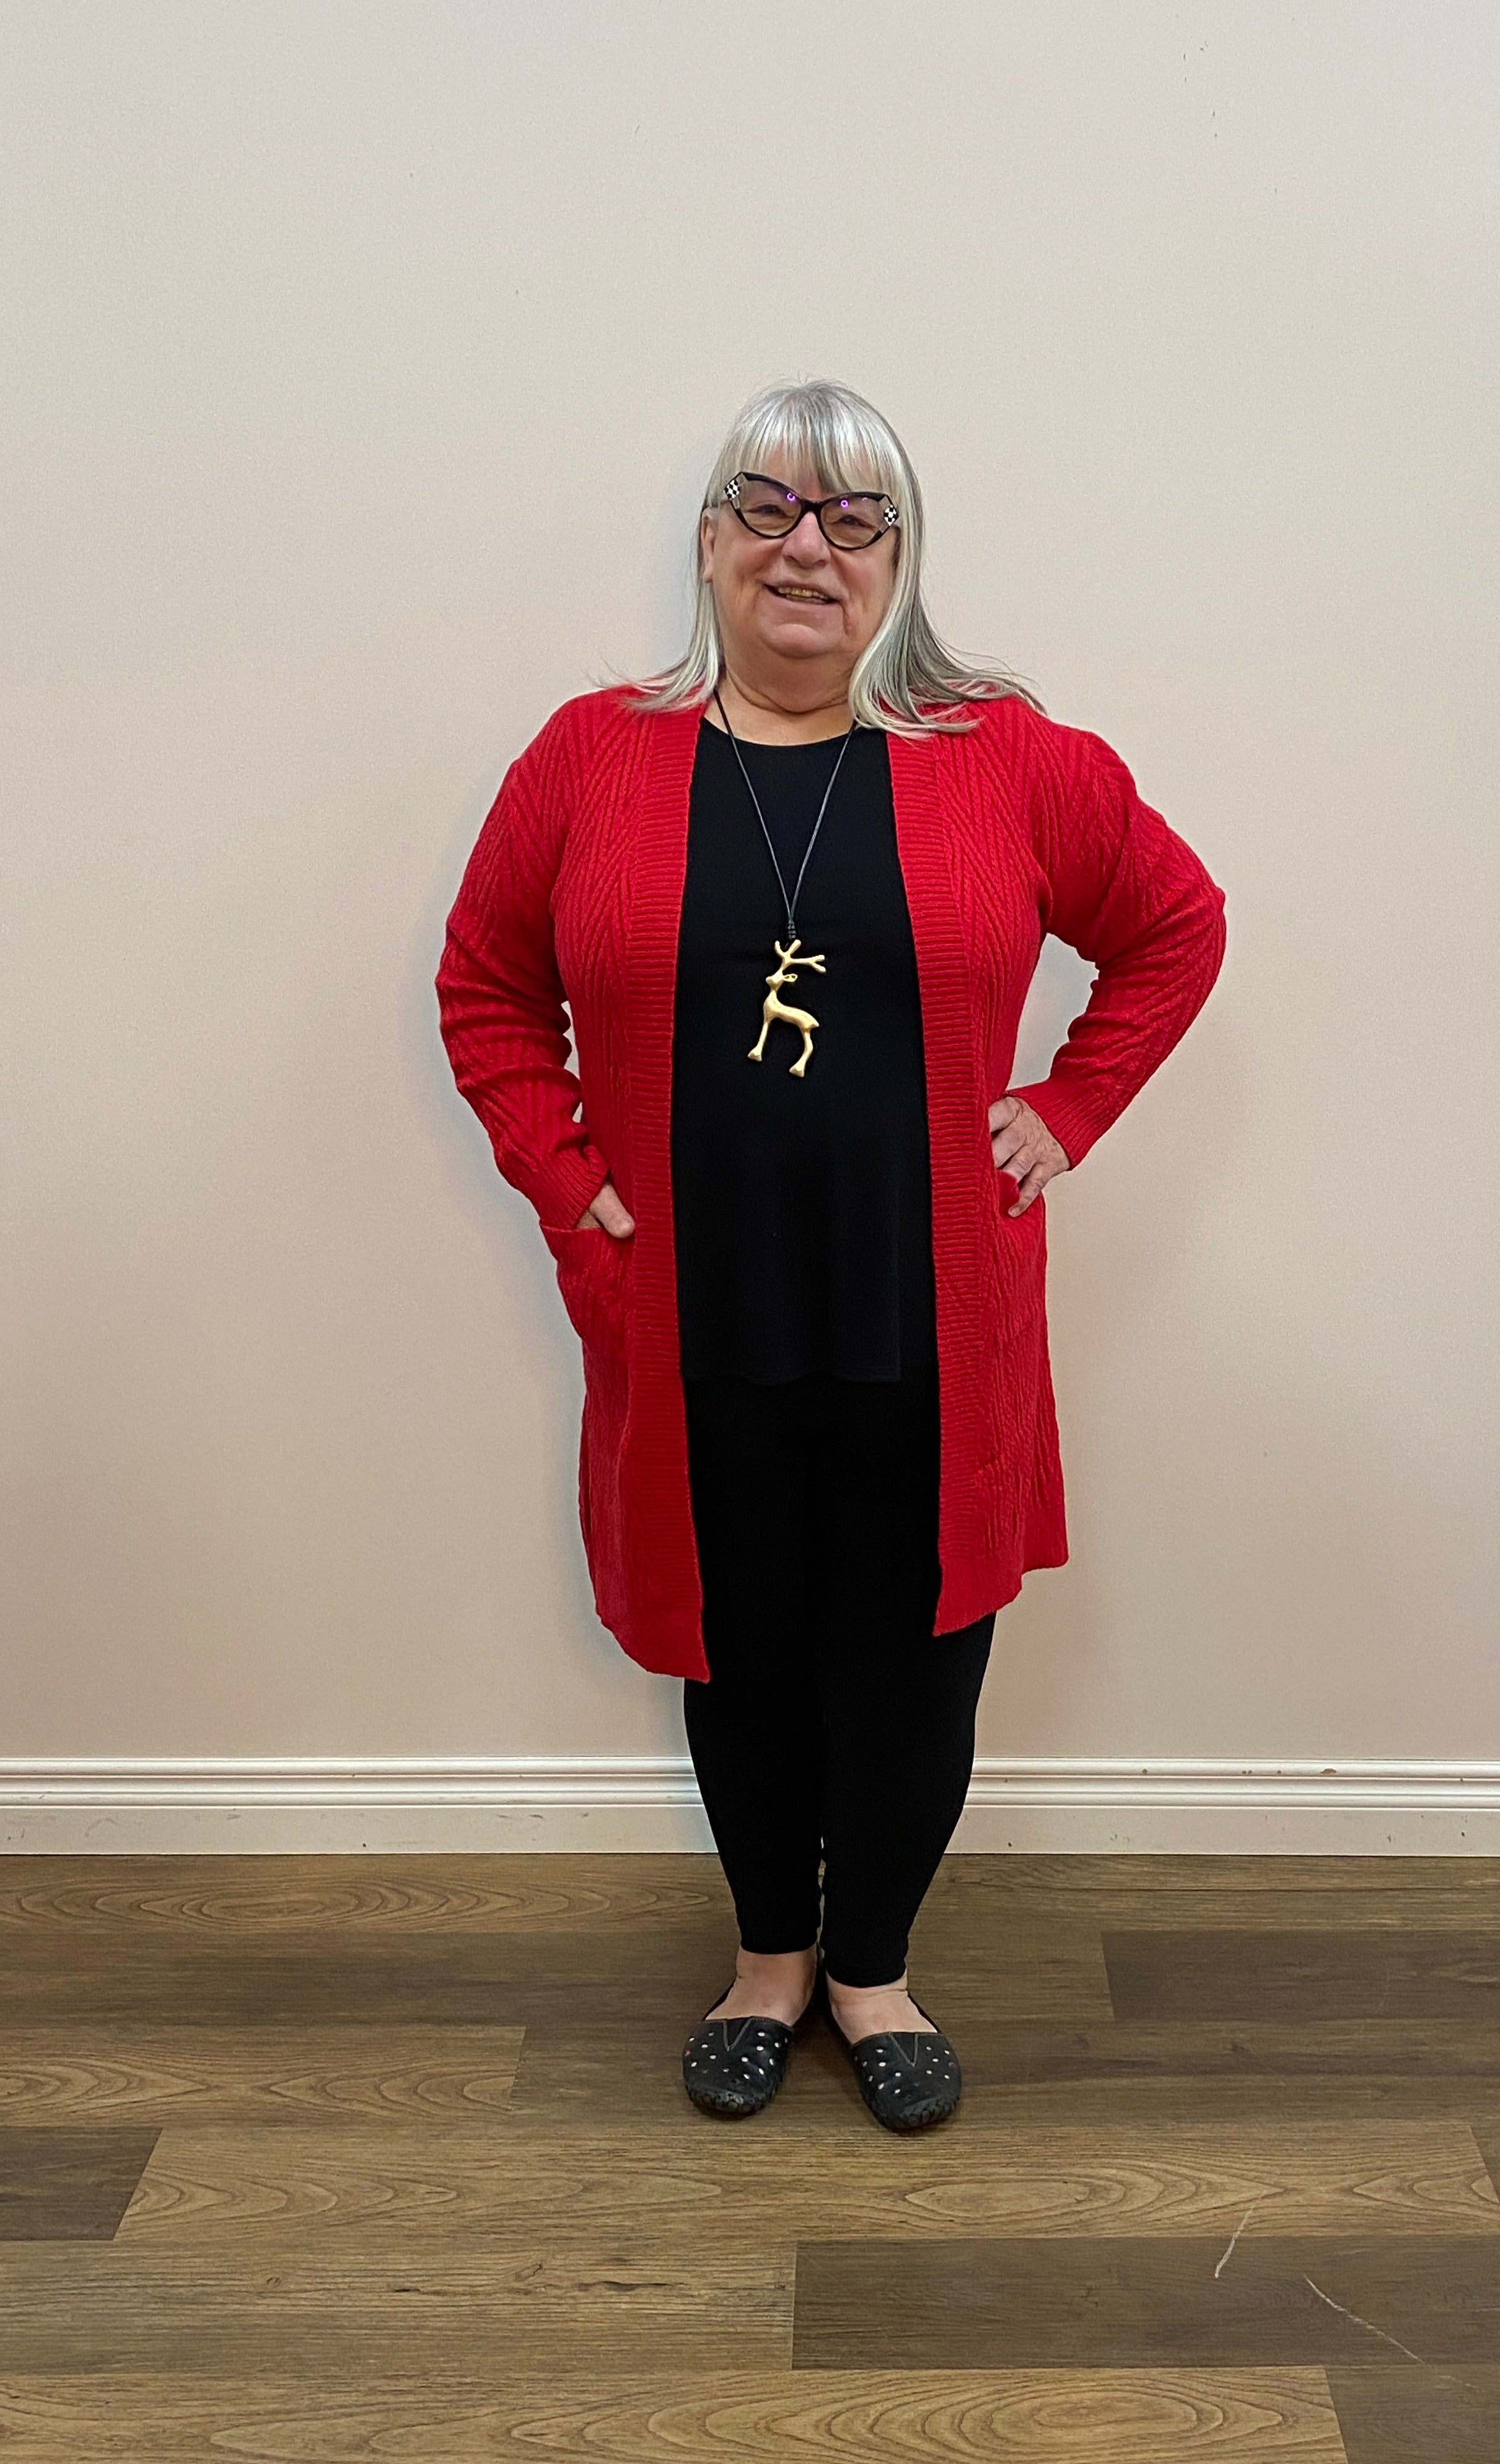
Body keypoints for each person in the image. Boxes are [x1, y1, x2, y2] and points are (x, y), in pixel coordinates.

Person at [436, 379, 1227, 2131]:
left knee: (912, 1647)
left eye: (854, 517)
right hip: (691, 1304)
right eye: (770, 507)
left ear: (900, 560)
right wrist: (571, 1184)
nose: (810, 546)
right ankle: (767, 1957)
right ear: (709, 542)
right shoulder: (590, 758)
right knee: (740, 1642)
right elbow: (488, 990)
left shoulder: (1006, 758)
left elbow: (1174, 925)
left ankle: (871, 1964)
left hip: (923, 1315)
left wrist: (1068, 1107)